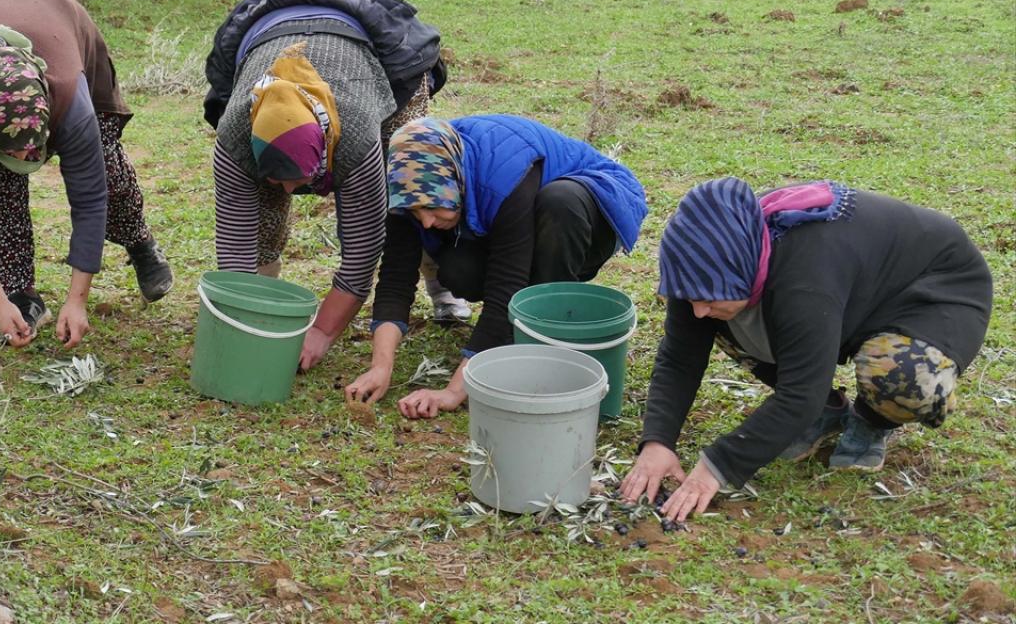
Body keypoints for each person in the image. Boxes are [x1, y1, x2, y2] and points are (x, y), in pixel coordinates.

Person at [621, 178, 992, 522]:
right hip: (849, 296)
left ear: (741, 272)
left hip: (934, 293)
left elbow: (802, 394)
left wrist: (717, 467)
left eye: (707, 298)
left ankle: (871, 421)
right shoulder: (703, 268)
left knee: (904, 375)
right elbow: (679, 359)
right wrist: (658, 441)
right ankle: (829, 413)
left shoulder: (802, 280)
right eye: (690, 298)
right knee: (725, 321)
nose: (698, 309)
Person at [204, 0, 462, 371]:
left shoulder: (356, 135)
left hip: (383, 59)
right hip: (268, 36)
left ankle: (440, 283)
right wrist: (246, 327)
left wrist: (322, 333)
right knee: (264, 215)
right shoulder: (235, 139)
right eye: (281, 180)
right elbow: (235, 241)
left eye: (301, 178)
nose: (295, 191)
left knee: (411, 191)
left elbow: (362, 249)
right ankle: (263, 305)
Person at [346, 115, 649, 418]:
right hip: (519, 221)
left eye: (431, 206)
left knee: (559, 203)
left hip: (593, 208)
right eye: (415, 211)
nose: (425, 221)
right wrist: (380, 366)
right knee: (458, 270)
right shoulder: (407, 184)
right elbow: (394, 280)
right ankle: (517, 333)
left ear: (453, 180)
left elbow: (506, 287)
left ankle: (549, 334)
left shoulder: (505, 173)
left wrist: (455, 392)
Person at [0, 0, 173, 350]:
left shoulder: (73, 107)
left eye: (35, 148)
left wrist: (77, 301)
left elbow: (89, 200)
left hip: (65, 31)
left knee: (106, 171)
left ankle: (140, 243)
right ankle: (19, 295)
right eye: (19, 151)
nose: (30, 160)